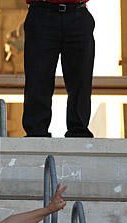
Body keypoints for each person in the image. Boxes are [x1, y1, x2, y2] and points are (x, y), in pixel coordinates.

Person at [22, 0, 95, 138]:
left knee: (81, 79)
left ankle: (78, 131)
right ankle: (36, 132)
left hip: (78, 12)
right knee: (38, 78)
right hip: (42, 12)